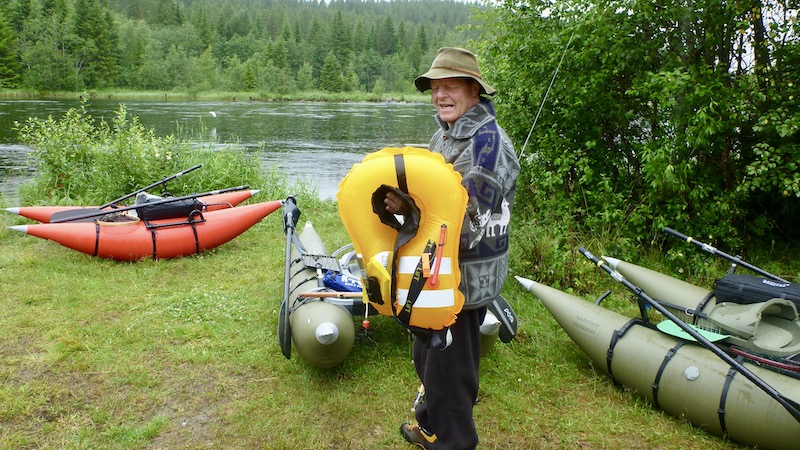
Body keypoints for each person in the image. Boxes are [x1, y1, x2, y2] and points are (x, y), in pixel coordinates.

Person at [386, 47, 520, 450]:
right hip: (436, 268)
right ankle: (431, 426)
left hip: (465, 276)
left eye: (451, 87)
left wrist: (414, 208)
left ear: (473, 90)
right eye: (435, 87)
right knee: (427, 357)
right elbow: (430, 196)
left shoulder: (488, 143)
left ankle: (454, 442)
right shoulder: (444, 134)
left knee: (450, 367)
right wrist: (404, 202)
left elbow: (470, 214)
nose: (440, 95)